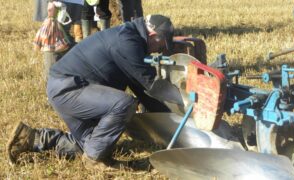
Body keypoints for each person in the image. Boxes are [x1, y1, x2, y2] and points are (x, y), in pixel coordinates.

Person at [7, 14, 174, 170]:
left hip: (68, 88)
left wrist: (169, 119)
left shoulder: (130, 37)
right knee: (124, 104)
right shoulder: (127, 41)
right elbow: (150, 84)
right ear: (154, 35)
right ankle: (94, 160)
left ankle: (31, 138)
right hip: (68, 89)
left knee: (93, 144)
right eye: (161, 46)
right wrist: (182, 101)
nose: (157, 51)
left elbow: (142, 89)